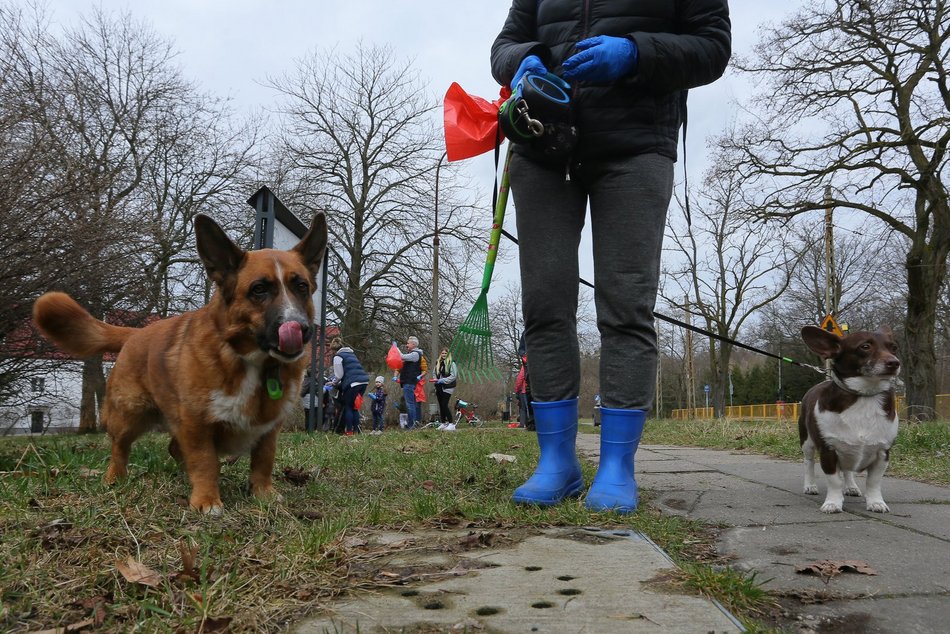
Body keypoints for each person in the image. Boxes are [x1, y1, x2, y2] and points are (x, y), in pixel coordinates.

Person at [491, 1, 731, 513]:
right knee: (544, 303)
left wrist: (635, 54)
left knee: (626, 304)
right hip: (541, 144)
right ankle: (557, 461)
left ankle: (618, 466)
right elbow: (503, 47)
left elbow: (713, 48)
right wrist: (525, 60)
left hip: (635, 146)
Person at [328, 337, 369, 436]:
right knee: (355, 407)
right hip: (364, 381)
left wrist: (333, 383)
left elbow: (339, 375)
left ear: (334, 349)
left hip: (353, 383)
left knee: (348, 407)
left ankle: (349, 431)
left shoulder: (338, 357)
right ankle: (357, 430)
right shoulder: (351, 354)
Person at [397, 335, 425, 429]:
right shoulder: (414, 354)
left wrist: (395, 348)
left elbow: (402, 356)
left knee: (410, 404)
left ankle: (411, 424)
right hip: (408, 382)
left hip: (409, 382)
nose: (406, 345)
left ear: (413, 344)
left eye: (408, 343)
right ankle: (412, 424)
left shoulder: (415, 354)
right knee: (411, 403)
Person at [433, 347, 459, 431]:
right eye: (442, 353)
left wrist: (443, 380)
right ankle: (443, 423)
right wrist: (436, 380)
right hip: (439, 386)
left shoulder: (452, 363)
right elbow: (434, 373)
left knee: (444, 404)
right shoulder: (438, 362)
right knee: (441, 405)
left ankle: (451, 424)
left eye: (445, 353)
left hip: (448, 387)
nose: (444, 355)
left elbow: (453, 375)